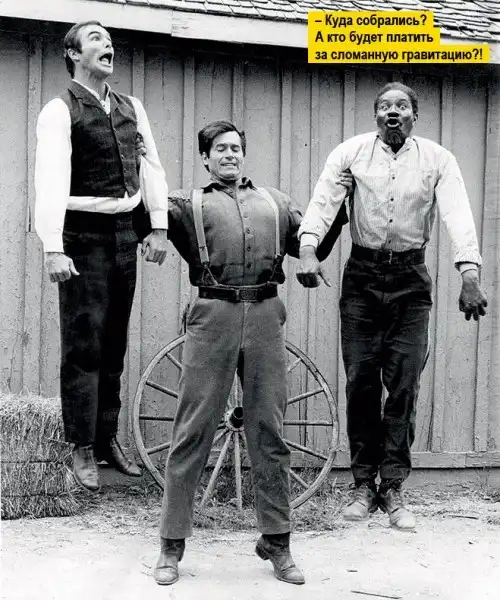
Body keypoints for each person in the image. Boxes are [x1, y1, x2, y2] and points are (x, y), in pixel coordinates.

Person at [153, 120, 351, 586]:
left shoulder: (276, 202)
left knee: (269, 430)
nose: (229, 155)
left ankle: (277, 542)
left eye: (236, 148)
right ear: (205, 158)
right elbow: (143, 212)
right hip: (212, 314)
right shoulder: (183, 204)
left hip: (265, 314)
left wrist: (342, 205)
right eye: (220, 149)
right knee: (192, 430)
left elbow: (312, 244)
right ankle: (170, 545)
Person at [296, 82, 487, 531]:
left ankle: (394, 487)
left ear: (414, 116)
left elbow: (457, 213)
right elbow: (324, 201)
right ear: (376, 116)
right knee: (361, 382)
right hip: (361, 279)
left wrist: (469, 274)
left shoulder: (438, 159)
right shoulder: (351, 153)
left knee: (403, 385)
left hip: (410, 282)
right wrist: (307, 249)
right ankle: (363, 485)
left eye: (402, 105)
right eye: (385, 106)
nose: (393, 112)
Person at [34, 21, 169, 492]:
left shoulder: (133, 108)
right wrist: (53, 246)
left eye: (109, 40)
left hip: (124, 234)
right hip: (81, 236)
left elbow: (151, 166)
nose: (107, 44)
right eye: (95, 39)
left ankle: (107, 438)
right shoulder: (60, 110)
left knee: (114, 345)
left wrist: (157, 226)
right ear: (73, 54)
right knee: (84, 346)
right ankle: (81, 445)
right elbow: (50, 179)